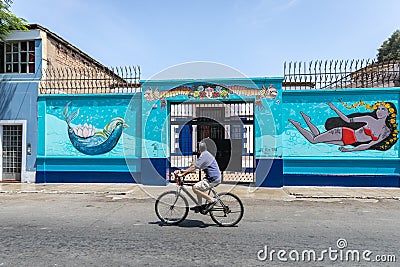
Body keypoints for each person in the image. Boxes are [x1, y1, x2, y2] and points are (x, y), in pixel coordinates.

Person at [288, 101, 398, 152]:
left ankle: (308, 121)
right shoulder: (370, 119)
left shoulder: (386, 132)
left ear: (389, 113)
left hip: (347, 142)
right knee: (313, 140)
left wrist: (350, 150)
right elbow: (348, 120)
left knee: (318, 138)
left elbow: (368, 145)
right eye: (378, 108)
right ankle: (298, 125)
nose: (379, 111)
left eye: (383, 109)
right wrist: (335, 109)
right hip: (344, 133)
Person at [176, 138, 221, 213]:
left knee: (195, 187)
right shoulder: (205, 154)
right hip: (213, 177)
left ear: (199, 149)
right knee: (198, 187)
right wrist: (184, 172)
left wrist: (183, 174)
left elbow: (194, 167)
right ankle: (199, 206)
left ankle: (212, 200)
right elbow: (193, 166)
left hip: (213, 179)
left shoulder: (204, 155)